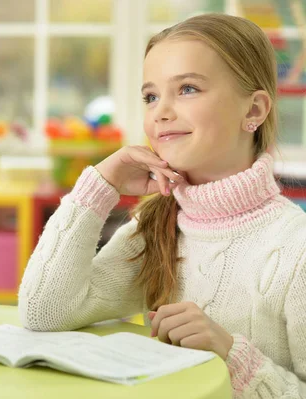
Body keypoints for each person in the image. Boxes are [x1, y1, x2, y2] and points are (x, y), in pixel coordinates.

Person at [18, 13, 306, 399]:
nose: (161, 111)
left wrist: (232, 355)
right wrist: (101, 183)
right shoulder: (155, 225)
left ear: (254, 111)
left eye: (187, 89)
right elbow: (43, 312)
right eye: (151, 96)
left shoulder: (295, 248)